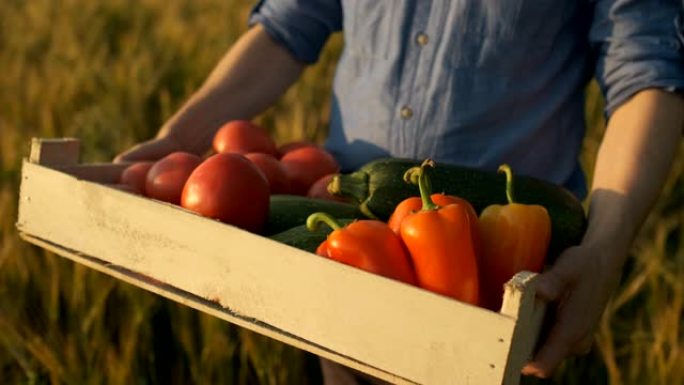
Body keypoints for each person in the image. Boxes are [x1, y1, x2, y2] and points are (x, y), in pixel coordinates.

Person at [116, 1, 684, 383]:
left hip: (506, 276)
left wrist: (606, 250)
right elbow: (289, 23)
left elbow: (646, 71)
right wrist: (177, 144)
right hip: (346, 248)